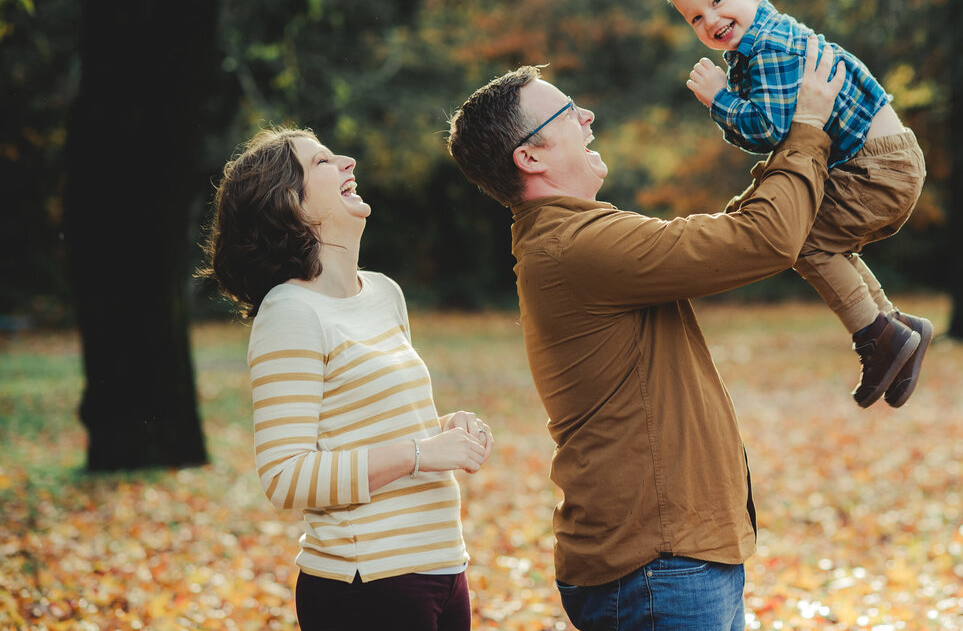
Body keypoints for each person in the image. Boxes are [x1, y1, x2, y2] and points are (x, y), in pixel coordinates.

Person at [446, 37, 843, 631]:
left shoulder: (578, 239)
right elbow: (763, 239)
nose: (588, 117)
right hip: (660, 564)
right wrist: (807, 128)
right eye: (568, 112)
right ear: (531, 156)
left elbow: (728, 236)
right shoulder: (577, 246)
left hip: (672, 559)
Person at [198, 127, 494, 631]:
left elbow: (372, 429)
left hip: (443, 565)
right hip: (368, 582)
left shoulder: (384, 293)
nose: (347, 162)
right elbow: (285, 476)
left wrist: (444, 429)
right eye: (321, 162)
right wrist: (421, 454)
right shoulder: (289, 312)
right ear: (288, 205)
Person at [654, 0, 934, 410]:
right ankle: (896, 329)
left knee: (799, 238)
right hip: (881, 163)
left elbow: (768, 129)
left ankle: (879, 334)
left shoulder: (770, 50)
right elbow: (780, 132)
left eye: (719, 1)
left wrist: (719, 98)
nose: (712, 20)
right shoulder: (759, 46)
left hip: (878, 168)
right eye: (696, 17)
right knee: (807, 235)